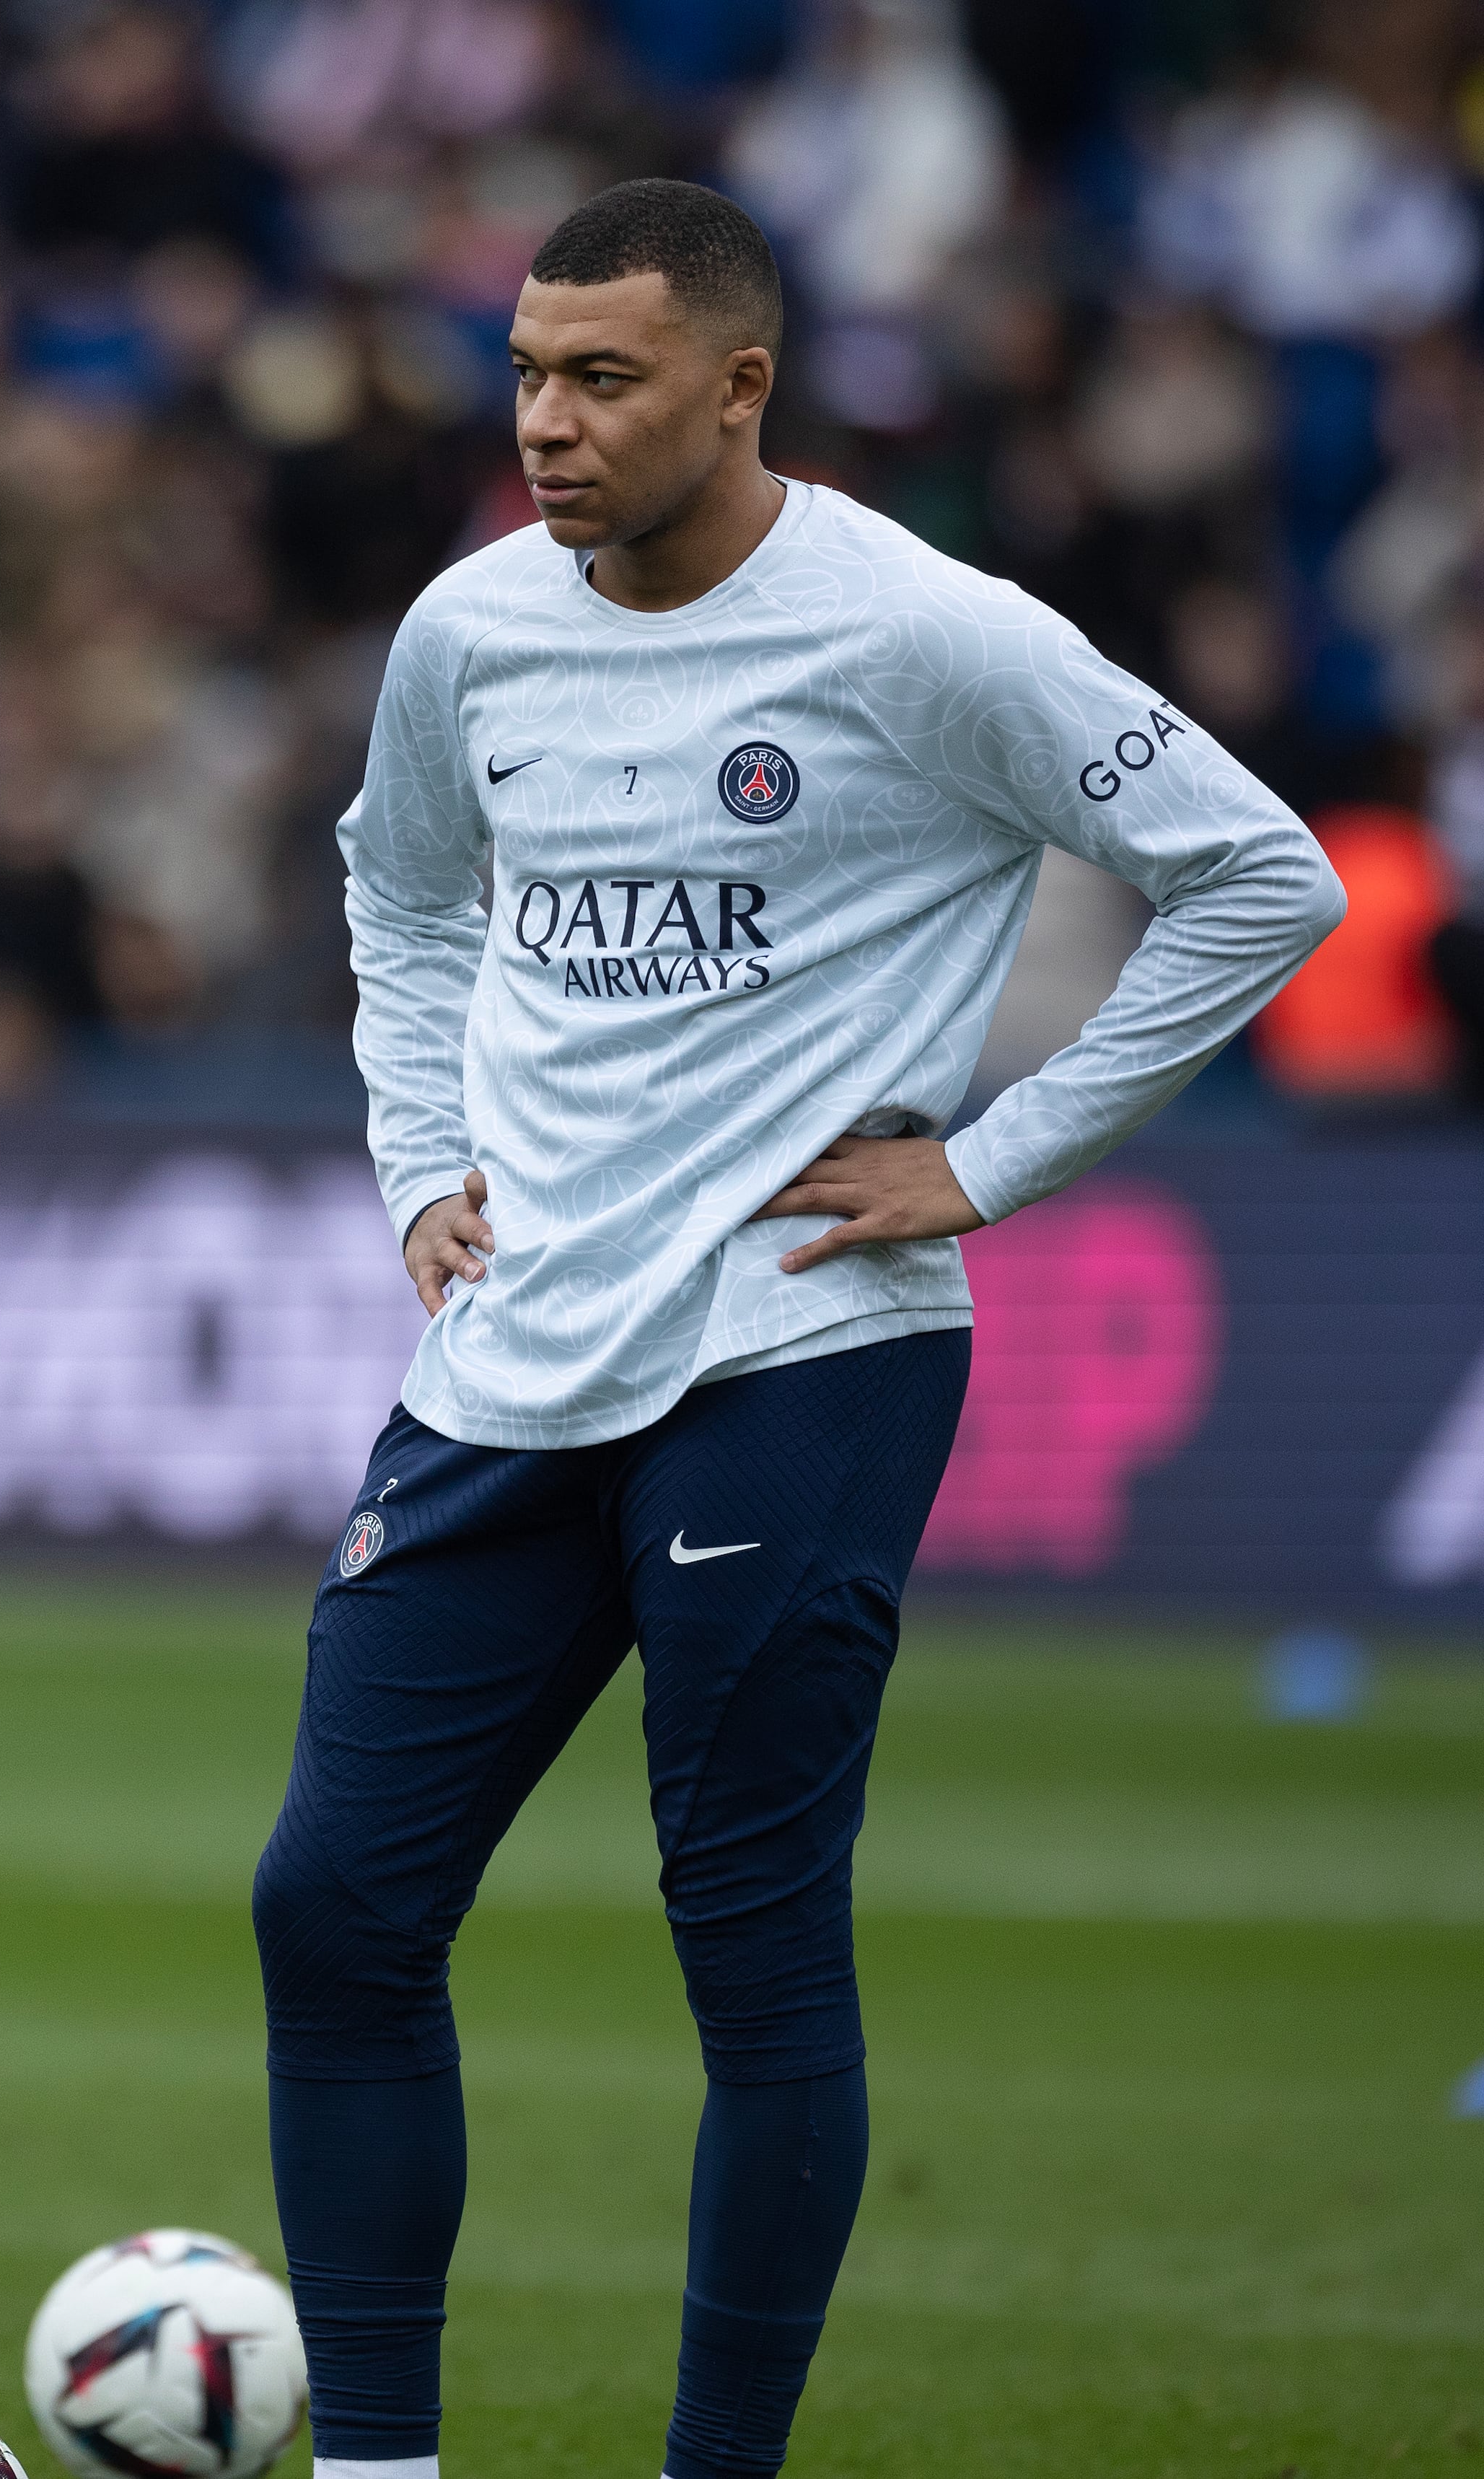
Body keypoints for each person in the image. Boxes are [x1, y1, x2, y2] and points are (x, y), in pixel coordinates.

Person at [261, 180, 1342, 2479]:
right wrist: (418, 1159)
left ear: (742, 386)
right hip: (515, 1349)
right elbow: (402, 889)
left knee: (746, 1944)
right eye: (529, 372)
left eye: (604, 378)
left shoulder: (924, 631)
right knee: (334, 1904)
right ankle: (371, 2465)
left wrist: (991, 1158)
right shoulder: (470, 629)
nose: (545, 422)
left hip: (807, 1349)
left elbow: (1264, 874)